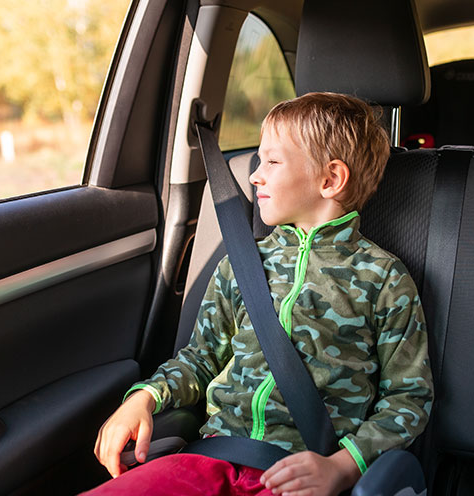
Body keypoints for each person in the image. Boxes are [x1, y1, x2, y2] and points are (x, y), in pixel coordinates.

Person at [87, 92, 433, 496]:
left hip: (302, 474)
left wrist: (343, 466)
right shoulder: (241, 263)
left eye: (272, 161)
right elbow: (201, 358)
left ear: (330, 179)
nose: (255, 175)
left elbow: (409, 397)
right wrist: (144, 398)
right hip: (211, 456)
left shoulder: (383, 278)